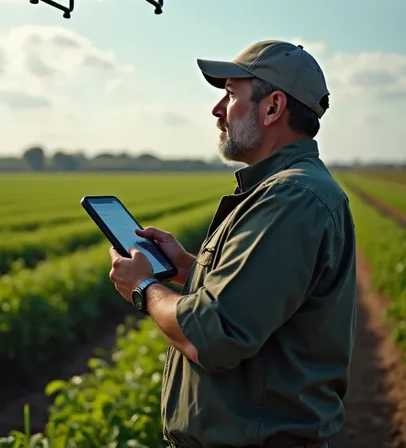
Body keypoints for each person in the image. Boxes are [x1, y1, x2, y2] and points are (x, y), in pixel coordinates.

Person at [109, 39, 357, 448]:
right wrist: (189, 268)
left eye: (230, 95)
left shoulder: (291, 198)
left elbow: (210, 336)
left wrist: (144, 289)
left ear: (273, 107)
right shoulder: (289, 191)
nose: (217, 109)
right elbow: (266, 296)